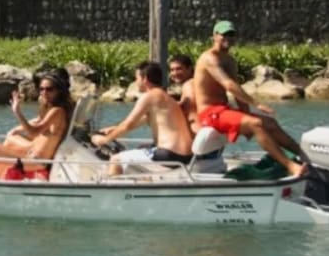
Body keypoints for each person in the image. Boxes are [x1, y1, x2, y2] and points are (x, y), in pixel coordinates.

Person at [190, 20, 308, 177]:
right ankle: (290, 166)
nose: (228, 38)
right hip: (210, 114)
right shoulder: (209, 58)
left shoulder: (230, 60)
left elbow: (237, 90)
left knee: (270, 123)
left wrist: (246, 112)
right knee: (256, 124)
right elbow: (229, 85)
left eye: (231, 35)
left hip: (224, 111)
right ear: (214, 36)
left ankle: (307, 157)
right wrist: (257, 104)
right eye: (224, 34)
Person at [91, 61, 193, 175]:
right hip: (183, 155)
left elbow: (128, 124)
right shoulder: (165, 97)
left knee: (116, 160)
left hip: (169, 153)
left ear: (145, 79)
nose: (135, 82)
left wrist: (105, 140)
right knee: (139, 150)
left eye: (137, 78)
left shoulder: (149, 96)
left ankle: (111, 192)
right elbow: (142, 120)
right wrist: (113, 129)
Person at [168, 54, 195, 120]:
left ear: (189, 69)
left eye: (179, 69)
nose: (175, 73)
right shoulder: (173, 88)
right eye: (172, 70)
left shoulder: (195, 85)